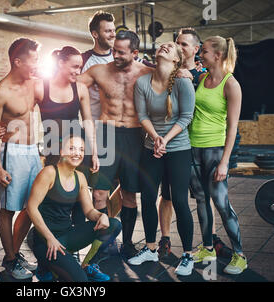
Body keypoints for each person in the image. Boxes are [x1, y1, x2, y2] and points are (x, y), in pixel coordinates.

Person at [78, 30, 154, 261]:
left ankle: (128, 243)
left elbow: (173, 77)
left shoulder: (147, 73)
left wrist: (183, 72)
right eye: (114, 51)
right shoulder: (98, 71)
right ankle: (102, 242)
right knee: (99, 193)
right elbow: (73, 82)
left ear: (135, 53)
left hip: (134, 136)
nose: (115, 55)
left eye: (121, 52)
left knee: (130, 194)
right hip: (105, 135)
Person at [156, 28, 229, 258]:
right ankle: (165, 239)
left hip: (197, 144)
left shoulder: (203, 76)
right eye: (178, 42)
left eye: (185, 44)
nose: (180, 46)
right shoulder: (167, 71)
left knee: (204, 196)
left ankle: (211, 240)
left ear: (196, 50)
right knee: (167, 195)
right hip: (173, 145)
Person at [131, 41, 196, 276]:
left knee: (179, 200)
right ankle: (149, 248)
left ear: (177, 59)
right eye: (162, 45)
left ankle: (188, 254)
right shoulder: (142, 83)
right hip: (152, 147)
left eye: (170, 46)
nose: (164, 46)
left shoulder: (182, 82)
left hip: (178, 148)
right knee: (148, 198)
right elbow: (142, 115)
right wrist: (156, 138)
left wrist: (165, 140)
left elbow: (186, 116)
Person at [27, 134, 122, 281]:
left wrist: (100, 216)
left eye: (81, 149)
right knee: (80, 281)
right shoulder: (49, 173)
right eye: (71, 148)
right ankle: (46, 265)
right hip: (45, 240)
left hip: (67, 235)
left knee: (114, 224)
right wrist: (50, 238)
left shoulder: (80, 177)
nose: (77, 153)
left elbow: (89, 211)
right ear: (62, 151)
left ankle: (86, 265)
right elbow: (31, 208)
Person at [189, 35, 247, 275]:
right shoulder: (202, 78)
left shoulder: (231, 84)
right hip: (194, 148)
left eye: (203, 51)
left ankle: (240, 254)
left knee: (222, 204)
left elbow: (232, 127)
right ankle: (208, 247)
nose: (199, 55)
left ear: (218, 55)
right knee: (201, 200)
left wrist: (224, 162)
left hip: (215, 151)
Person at [0, 38, 42, 280]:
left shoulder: (36, 84)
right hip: (13, 152)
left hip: (34, 152)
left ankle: (14, 251)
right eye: (34, 59)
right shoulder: (0, 93)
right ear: (17, 61)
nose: (38, 64)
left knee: (32, 206)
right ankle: (9, 259)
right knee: (9, 208)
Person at [35, 46, 99, 174]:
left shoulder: (80, 89)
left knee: (79, 187)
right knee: (55, 189)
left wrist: (94, 153)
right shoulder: (40, 87)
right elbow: (22, 111)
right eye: (75, 66)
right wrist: (5, 126)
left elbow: (88, 122)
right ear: (61, 63)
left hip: (78, 148)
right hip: (53, 149)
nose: (78, 71)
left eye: (80, 67)